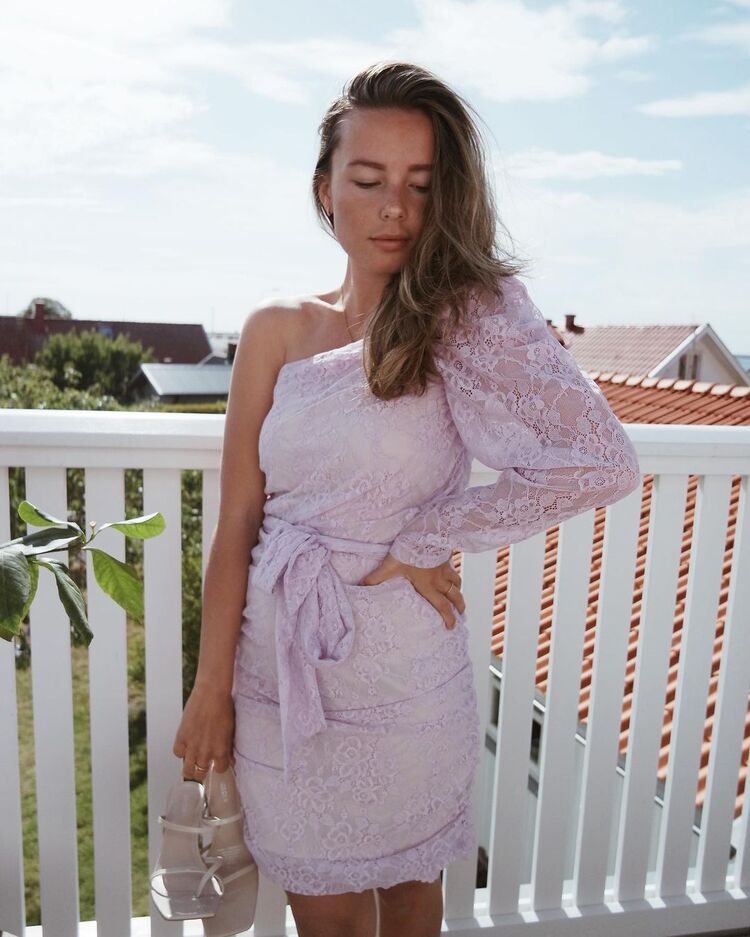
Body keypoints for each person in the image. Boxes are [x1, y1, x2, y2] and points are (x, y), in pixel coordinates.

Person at [172, 61, 642, 937]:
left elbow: (600, 459)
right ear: (325, 189)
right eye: (369, 180)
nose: (395, 207)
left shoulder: (466, 320)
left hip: (407, 678)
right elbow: (237, 520)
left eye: (420, 184)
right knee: (324, 916)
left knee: (413, 903)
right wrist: (210, 687)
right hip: (279, 670)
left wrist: (432, 534)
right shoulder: (275, 327)